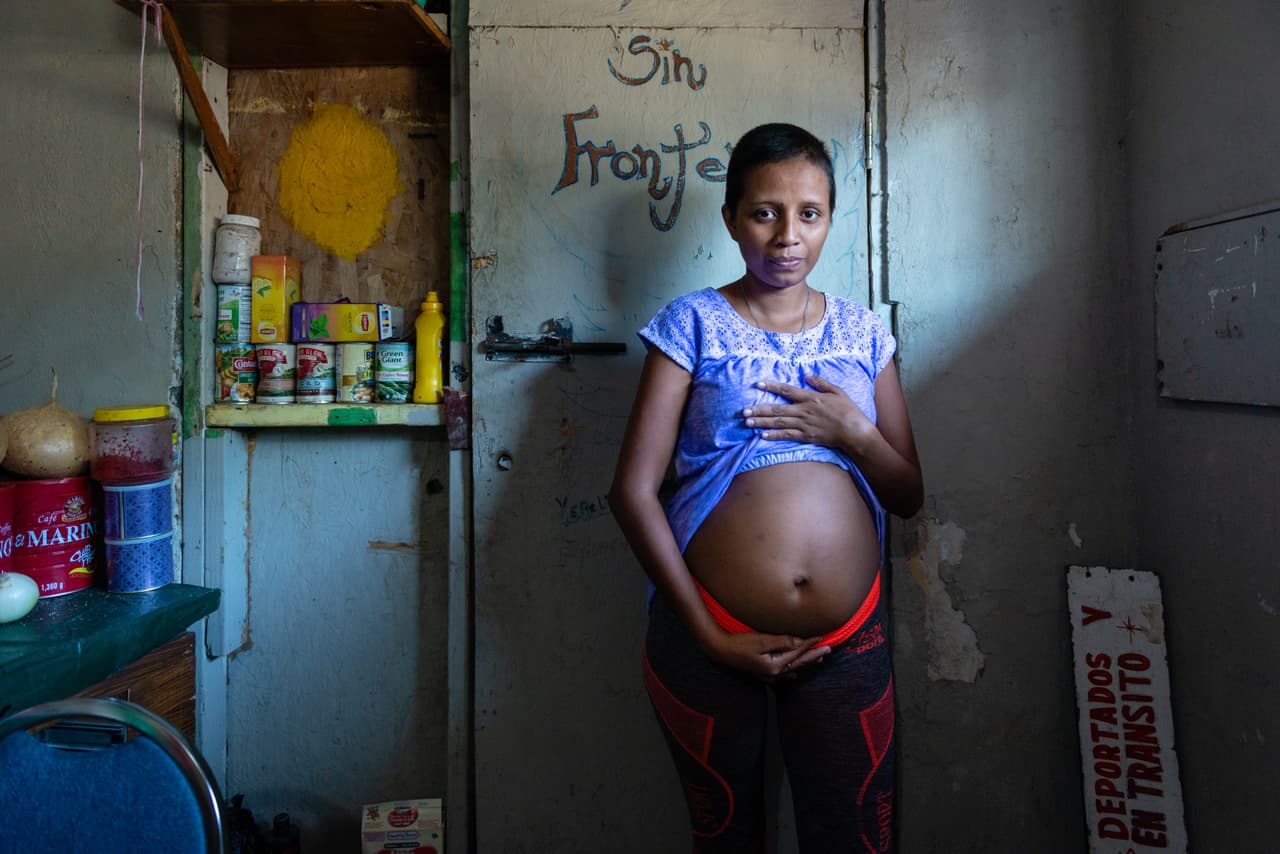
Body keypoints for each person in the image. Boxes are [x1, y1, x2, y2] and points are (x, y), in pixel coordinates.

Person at [608, 122, 924, 853]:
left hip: (847, 642)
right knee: (726, 838)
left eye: (809, 213)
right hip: (708, 632)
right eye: (764, 212)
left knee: (852, 840)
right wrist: (710, 634)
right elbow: (632, 491)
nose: (787, 235)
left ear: (830, 220)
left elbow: (907, 492)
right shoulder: (691, 323)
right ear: (731, 219)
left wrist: (850, 432)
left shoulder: (864, 334)